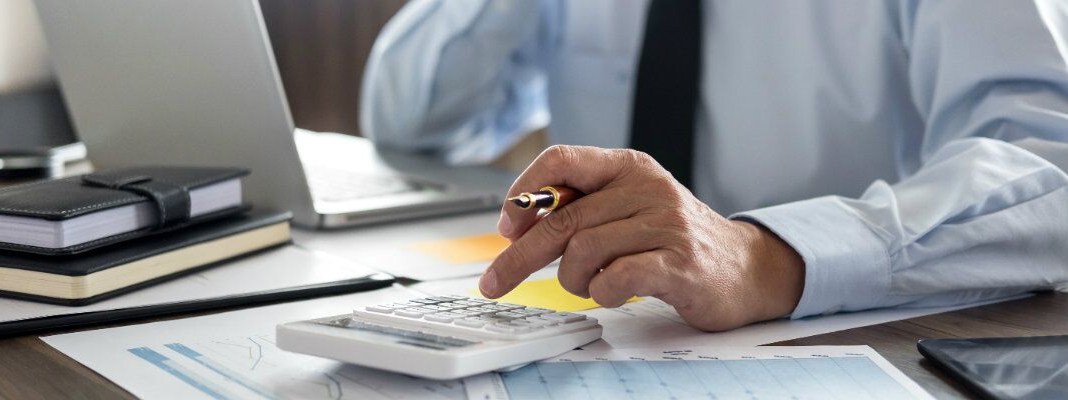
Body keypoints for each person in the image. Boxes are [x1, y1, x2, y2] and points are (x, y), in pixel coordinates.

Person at [359, 0, 1068, 331]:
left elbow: (1048, 170)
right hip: (601, 328)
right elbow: (410, 125)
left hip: (847, 335)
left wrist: (767, 256)